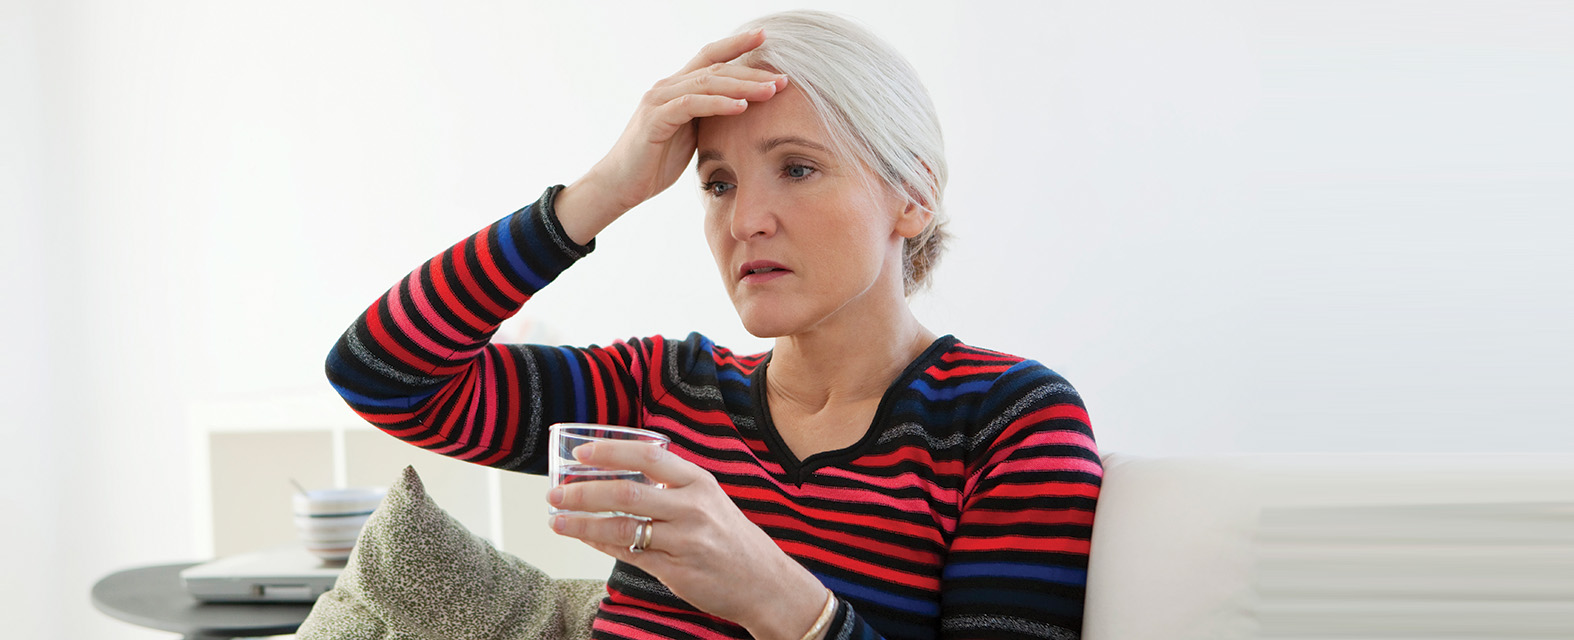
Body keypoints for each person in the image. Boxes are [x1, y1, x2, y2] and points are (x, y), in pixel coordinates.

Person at [323, 10, 1102, 640]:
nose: (746, 220)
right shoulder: (662, 391)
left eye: (797, 168)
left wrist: (780, 602)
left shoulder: (1008, 422)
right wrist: (602, 191)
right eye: (719, 184)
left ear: (914, 196)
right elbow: (383, 375)